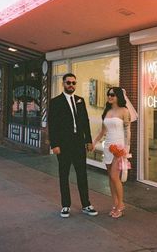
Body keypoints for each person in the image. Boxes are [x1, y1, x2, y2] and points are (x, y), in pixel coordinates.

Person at [48, 73, 98, 218]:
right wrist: (54, 144)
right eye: (68, 82)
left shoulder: (80, 100)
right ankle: (65, 205)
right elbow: (52, 124)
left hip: (78, 144)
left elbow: (85, 122)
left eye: (74, 83)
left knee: (82, 174)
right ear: (63, 84)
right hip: (63, 145)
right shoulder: (55, 102)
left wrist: (88, 140)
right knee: (64, 175)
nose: (71, 85)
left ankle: (86, 204)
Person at [93, 87, 137, 219]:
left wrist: (126, 148)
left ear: (118, 96)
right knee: (110, 178)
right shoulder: (107, 111)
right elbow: (102, 131)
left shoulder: (124, 111)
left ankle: (121, 205)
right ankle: (115, 203)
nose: (110, 96)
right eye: (108, 94)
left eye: (112, 94)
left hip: (119, 147)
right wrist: (93, 142)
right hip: (107, 146)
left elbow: (127, 130)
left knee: (114, 176)